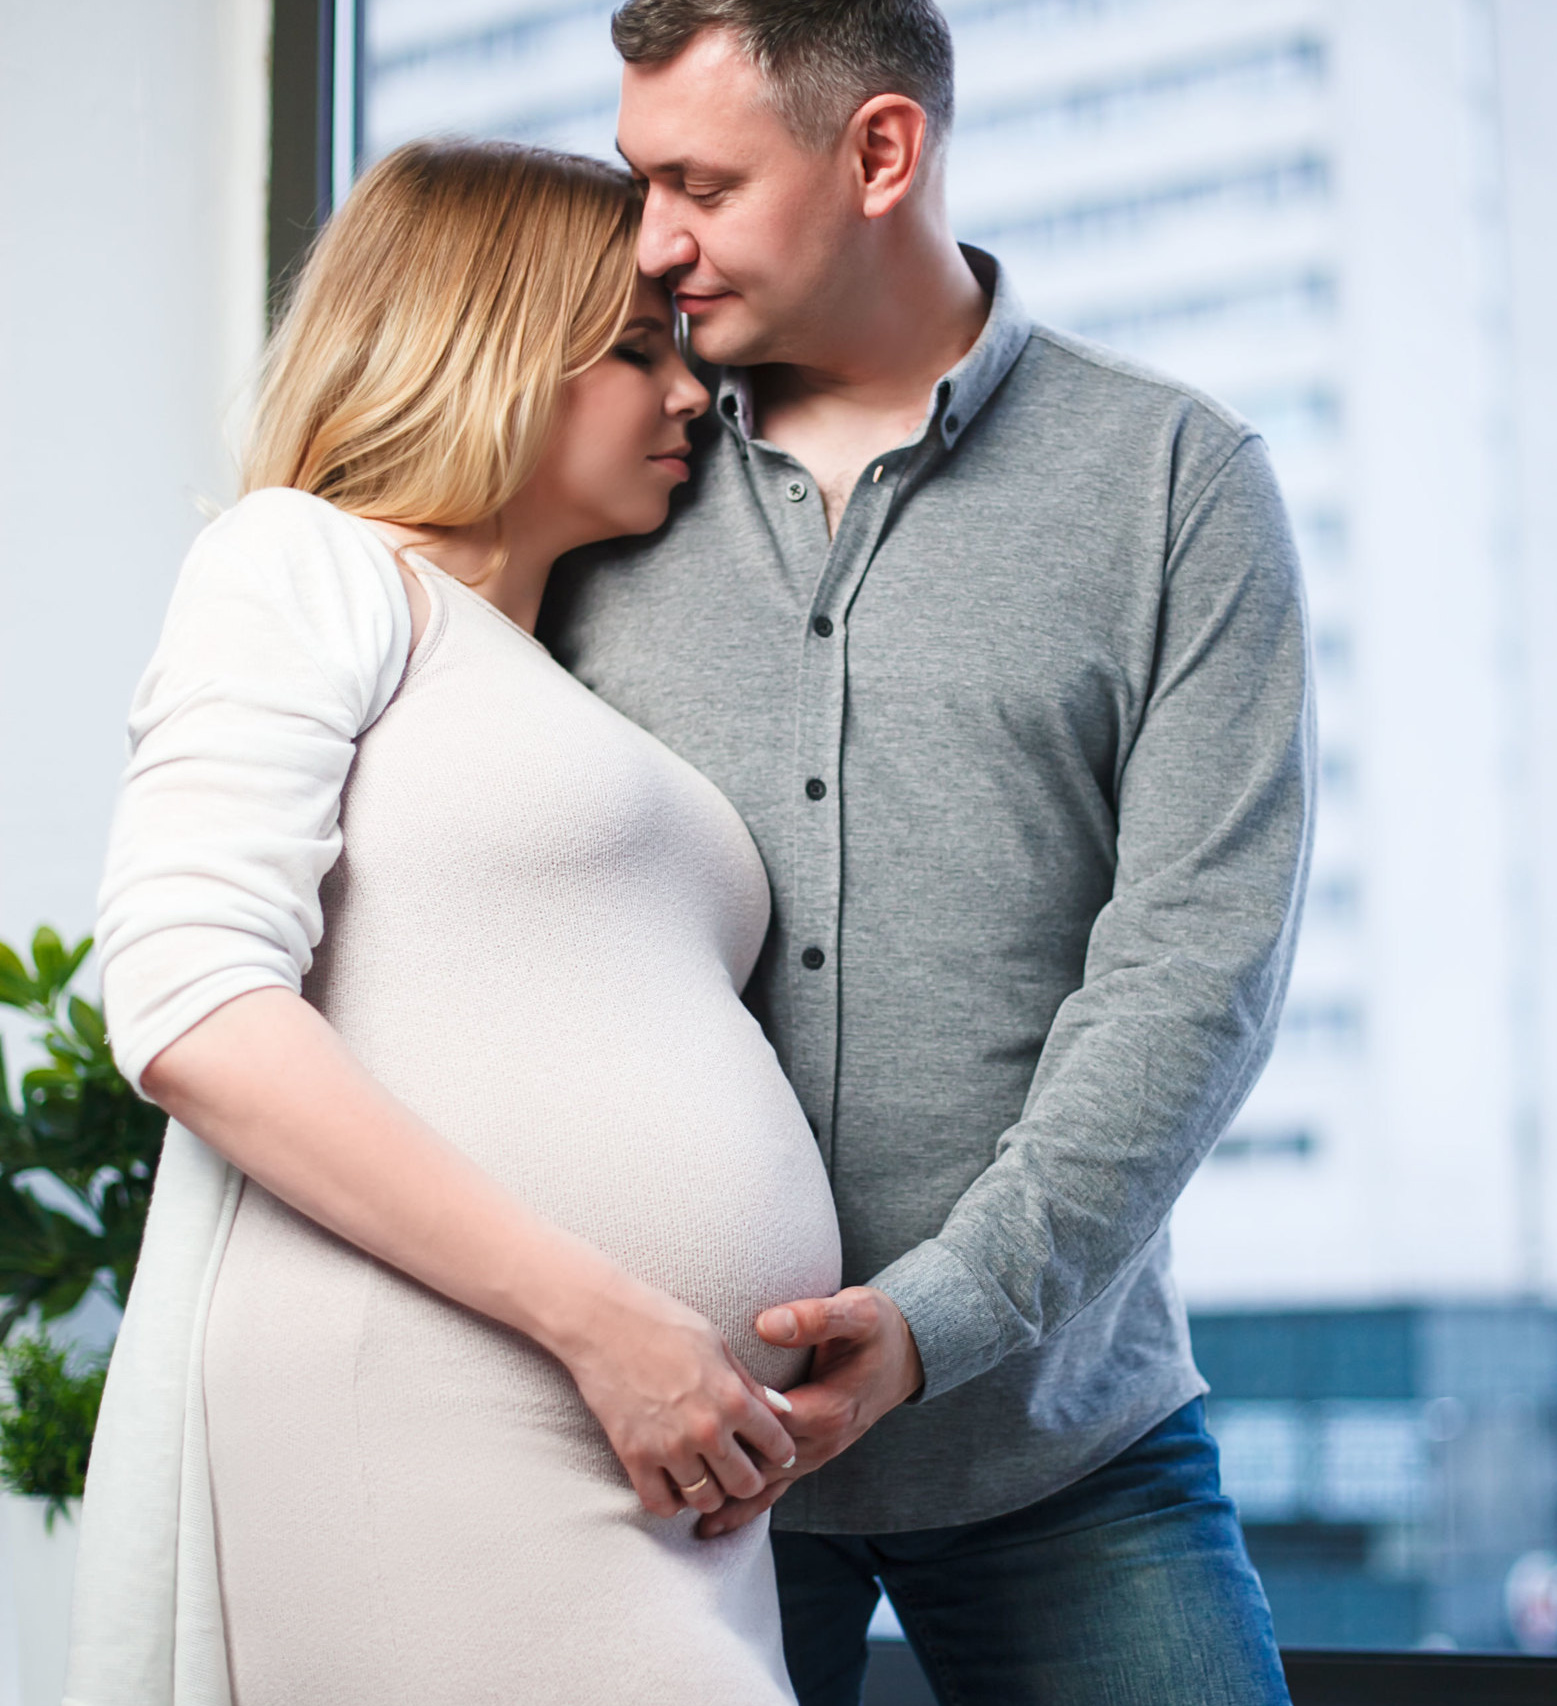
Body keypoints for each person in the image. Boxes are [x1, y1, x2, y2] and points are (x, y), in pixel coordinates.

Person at [540, 2, 1315, 1702]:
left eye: (700, 183)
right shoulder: (598, 465)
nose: (651, 240)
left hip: (1058, 1442)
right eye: (636, 179)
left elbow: (1198, 975)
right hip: (662, 1455)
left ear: (881, 153)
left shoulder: (1175, 483)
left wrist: (942, 1317)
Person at [67, 140, 842, 1706]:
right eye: (634, 350)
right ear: (483, 348)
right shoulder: (304, 562)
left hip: (655, 1448)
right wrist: (608, 1318)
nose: (692, 397)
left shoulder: (562, 681)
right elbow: (188, 999)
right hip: (451, 1400)